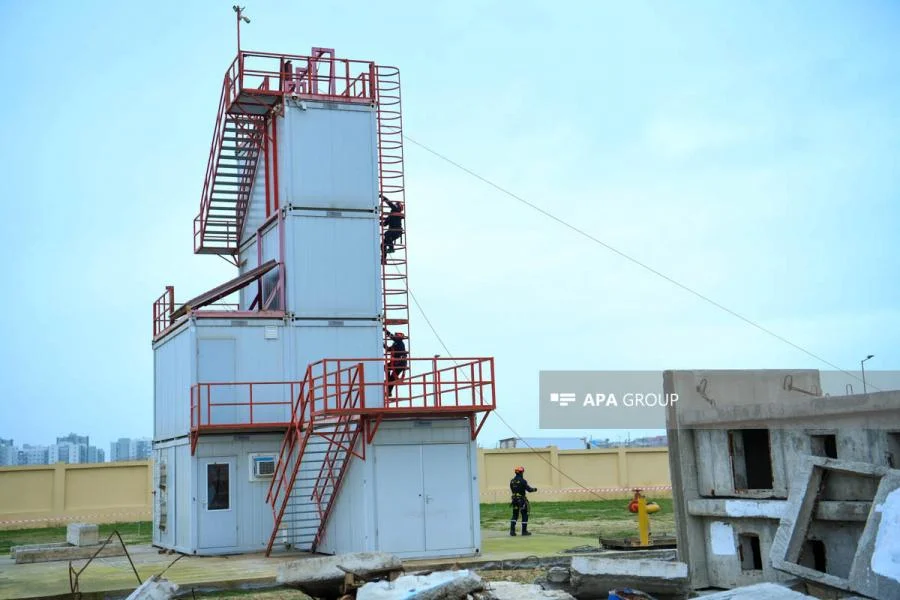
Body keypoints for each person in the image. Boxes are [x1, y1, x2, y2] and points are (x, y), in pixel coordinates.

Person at [509, 466, 537, 536]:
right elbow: (529, 489)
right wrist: (534, 489)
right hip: (521, 500)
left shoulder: (512, 481)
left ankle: (512, 531)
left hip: (514, 500)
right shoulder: (523, 481)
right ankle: (524, 531)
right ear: (521, 472)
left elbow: (512, 490)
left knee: (515, 514)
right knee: (524, 514)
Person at [380, 194, 404, 265]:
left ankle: (391, 248)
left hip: (397, 231)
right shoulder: (391, 215)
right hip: (392, 232)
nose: (395, 205)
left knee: (387, 234)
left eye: (396, 205)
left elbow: (390, 203)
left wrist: (383, 198)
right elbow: (384, 224)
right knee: (382, 244)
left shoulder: (396, 210)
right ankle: (384, 259)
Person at [384, 330, 408, 398]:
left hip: (400, 363)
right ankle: (389, 390)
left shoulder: (400, 342)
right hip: (397, 363)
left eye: (397, 336)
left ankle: (389, 391)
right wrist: (382, 344)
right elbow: (388, 349)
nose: (395, 336)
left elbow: (392, 337)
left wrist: (386, 331)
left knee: (392, 378)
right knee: (386, 368)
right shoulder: (395, 343)